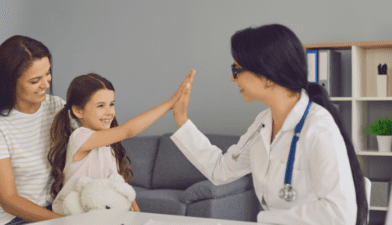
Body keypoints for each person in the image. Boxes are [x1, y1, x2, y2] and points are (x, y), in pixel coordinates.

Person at [171, 24, 368, 225]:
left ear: (266, 76)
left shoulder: (318, 127)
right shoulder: (263, 123)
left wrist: (266, 219)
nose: (232, 78)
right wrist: (181, 119)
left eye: (236, 69)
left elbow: (340, 215)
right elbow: (221, 170)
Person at [48, 71, 194, 216]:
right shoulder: (79, 138)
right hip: (77, 217)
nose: (109, 112)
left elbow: (117, 182)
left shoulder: (108, 145)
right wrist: (170, 104)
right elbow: (128, 131)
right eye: (100, 106)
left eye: (111, 104)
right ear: (78, 111)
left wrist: (135, 211)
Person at [0, 35, 78, 225]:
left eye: (48, 73)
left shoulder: (56, 106)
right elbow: (9, 200)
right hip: (16, 218)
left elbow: (94, 142)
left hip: (56, 207)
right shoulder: (2, 126)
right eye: (35, 80)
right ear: (10, 83)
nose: (46, 84)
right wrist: (64, 222)